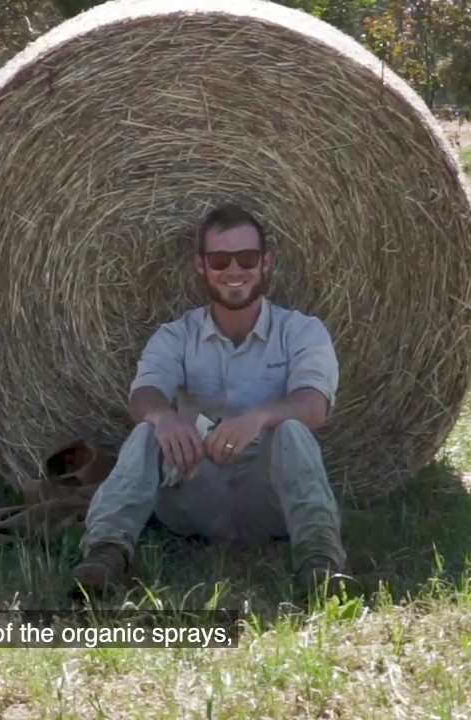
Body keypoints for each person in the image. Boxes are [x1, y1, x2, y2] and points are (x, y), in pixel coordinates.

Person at [70, 203, 350, 599]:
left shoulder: (302, 331)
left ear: (266, 263)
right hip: (193, 494)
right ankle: (105, 555)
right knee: (147, 430)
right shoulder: (176, 336)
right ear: (202, 266)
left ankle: (319, 564)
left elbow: (314, 405)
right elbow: (145, 392)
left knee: (292, 429)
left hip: (269, 499)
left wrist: (259, 417)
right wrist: (164, 417)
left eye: (247, 258)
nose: (234, 271)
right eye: (220, 260)